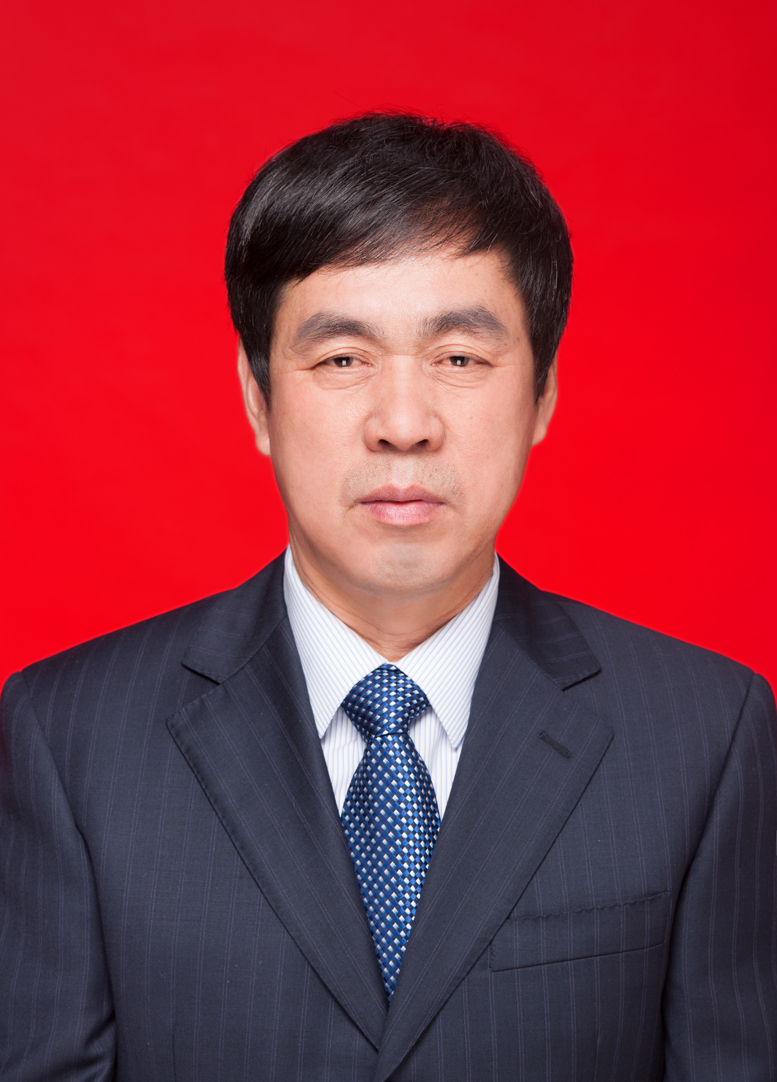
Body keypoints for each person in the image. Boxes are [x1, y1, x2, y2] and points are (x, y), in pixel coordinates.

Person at [1, 112, 775, 1082]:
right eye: (341, 358)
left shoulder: (706, 735)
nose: (403, 423)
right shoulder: (68, 738)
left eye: (460, 358)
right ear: (256, 397)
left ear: (541, 394)